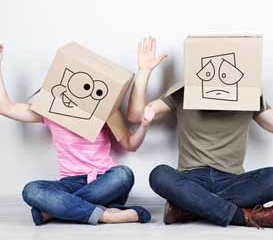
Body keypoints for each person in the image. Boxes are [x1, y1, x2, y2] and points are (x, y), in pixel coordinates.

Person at [128, 37, 273, 229]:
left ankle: (188, 207)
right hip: (190, 179)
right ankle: (243, 216)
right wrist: (143, 72)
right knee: (159, 175)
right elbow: (136, 116)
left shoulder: (249, 97)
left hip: (232, 181)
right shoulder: (184, 92)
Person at [0, 43, 157, 226]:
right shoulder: (50, 110)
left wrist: (144, 126)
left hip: (104, 181)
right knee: (31, 190)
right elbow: (6, 108)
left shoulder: (105, 111)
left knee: (123, 174)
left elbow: (130, 144)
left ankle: (55, 211)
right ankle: (106, 215)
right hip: (69, 182)